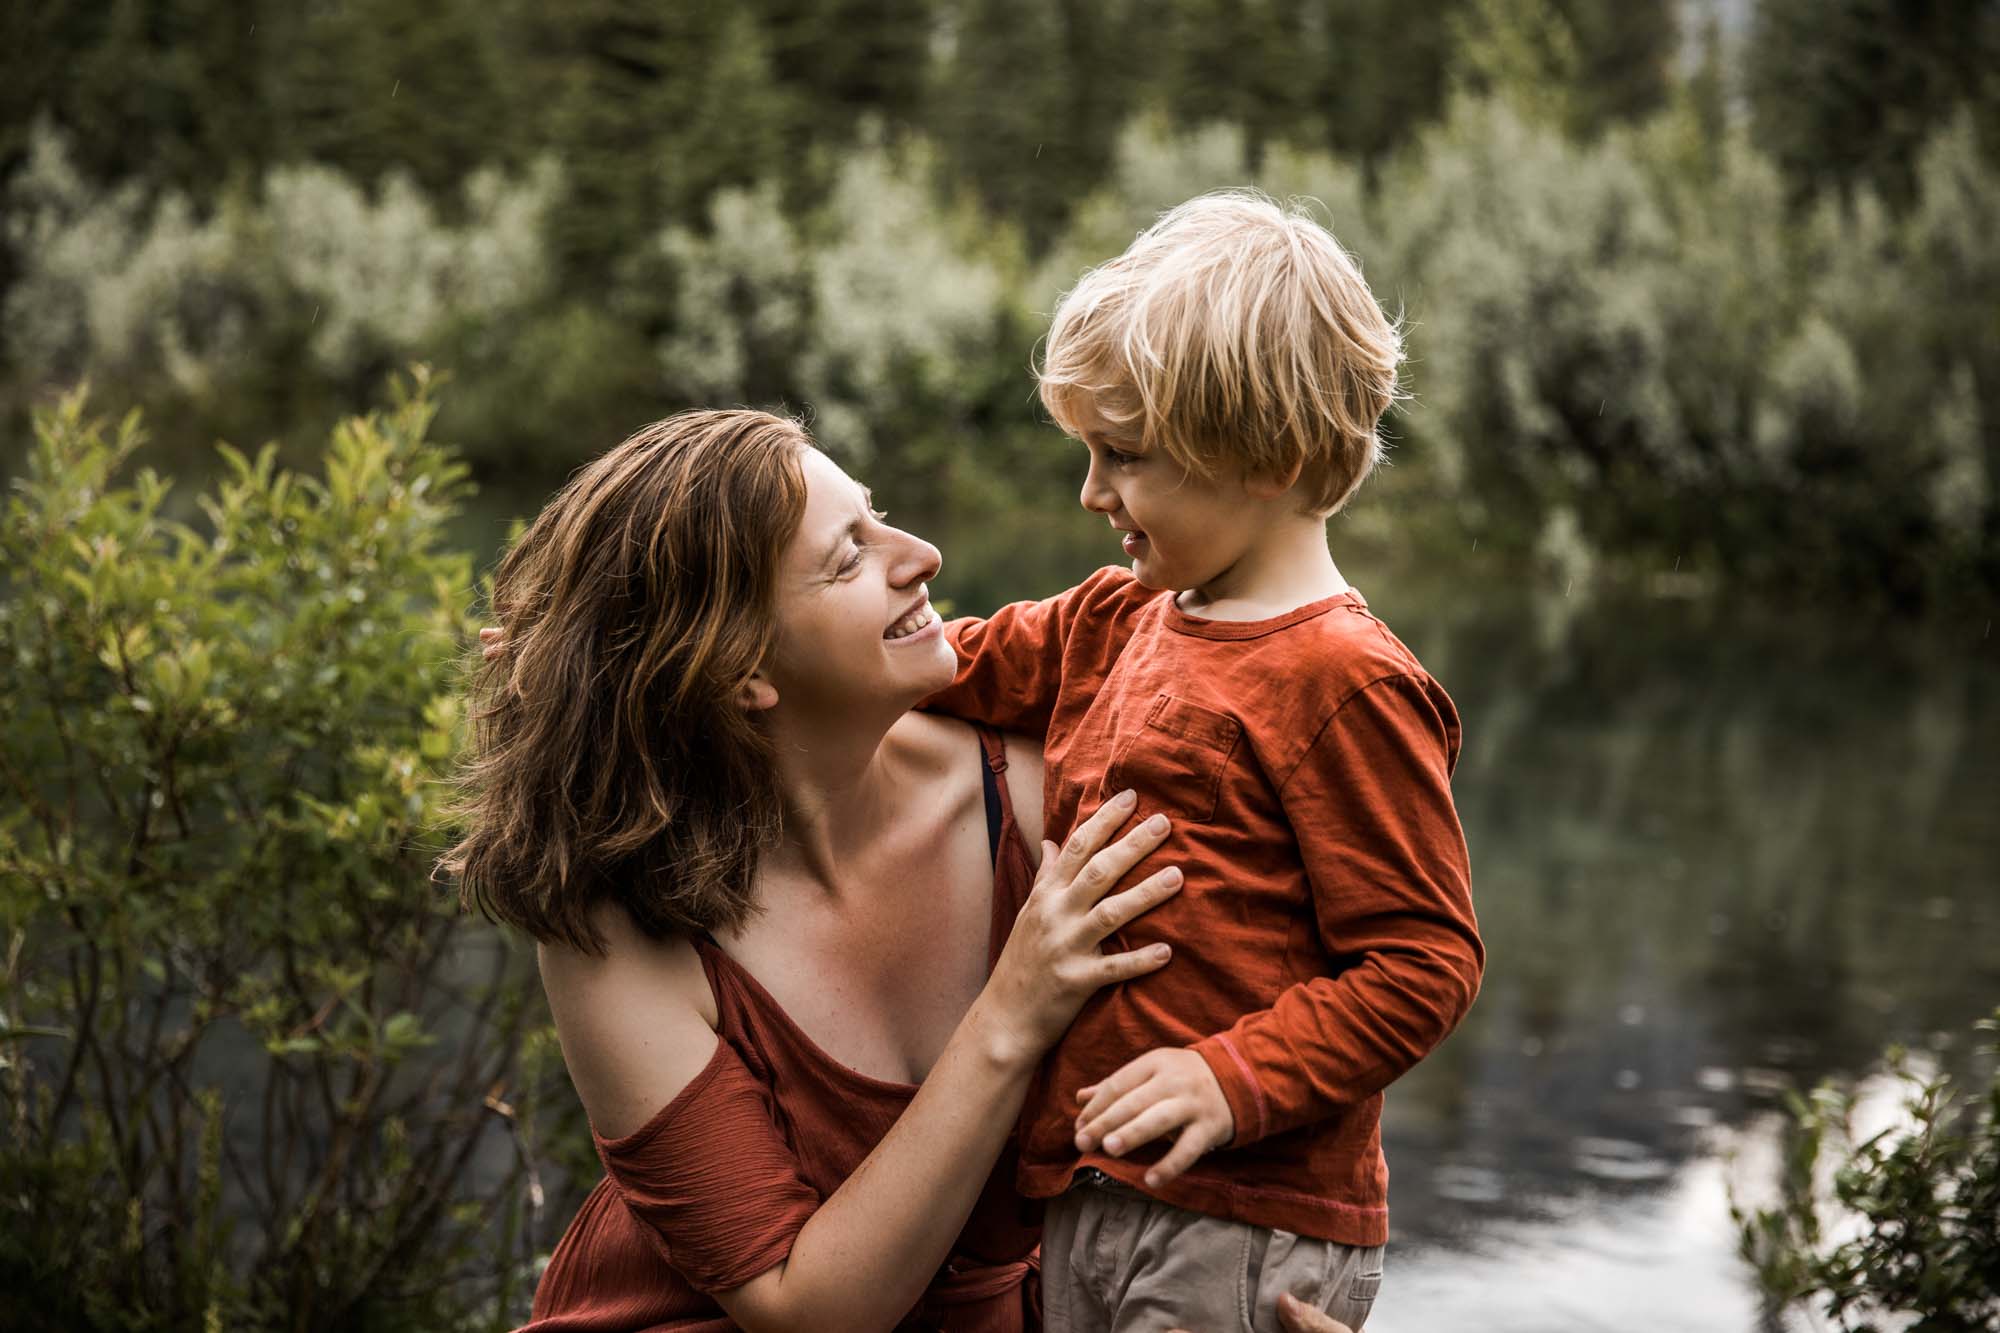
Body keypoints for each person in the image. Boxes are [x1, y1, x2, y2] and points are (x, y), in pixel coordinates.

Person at [449, 408, 1361, 1332]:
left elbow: (1322, 995)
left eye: (876, 515)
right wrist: (1013, 1009)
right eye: (849, 556)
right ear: (738, 669)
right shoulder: (616, 926)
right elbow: (803, 1311)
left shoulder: (1047, 792)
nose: (922, 555)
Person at [921, 190, 1484, 1332]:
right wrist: (742, 642)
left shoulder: (1344, 679)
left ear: (1266, 456)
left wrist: (1231, 1079)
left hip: (1242, 1217)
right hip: (1094, 1191)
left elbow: (1423, 963)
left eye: (1122, 456)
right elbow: (942, 664)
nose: (1091, 492)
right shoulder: (1116, 615)